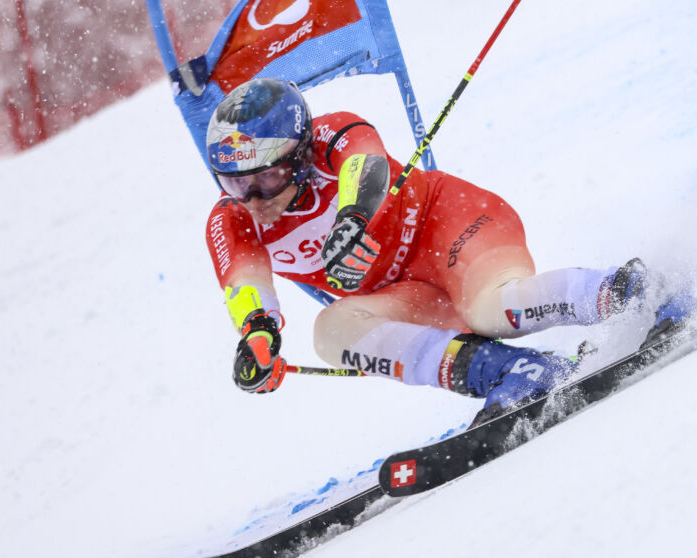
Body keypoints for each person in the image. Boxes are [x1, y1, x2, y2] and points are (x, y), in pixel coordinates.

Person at [204, 78, 646, 416]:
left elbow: (367, 164)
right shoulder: (232, 219)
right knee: (331, 330)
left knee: (489, 310)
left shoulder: (329, 134)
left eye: (267, 177)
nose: (254, 198)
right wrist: (258, 333)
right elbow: (244, 284)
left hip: (452, 229)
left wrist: (353, 218)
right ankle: (511, 372)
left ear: (299, 155)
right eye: (236, 182)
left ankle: (630, 291)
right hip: (409, 295)